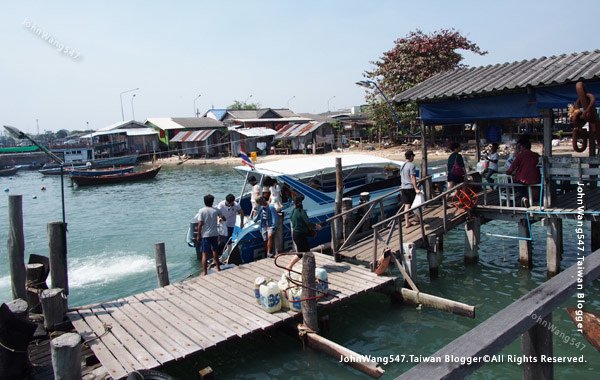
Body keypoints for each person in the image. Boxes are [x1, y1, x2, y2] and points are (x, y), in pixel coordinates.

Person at [287, 194, 321, 270]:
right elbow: (307, 222)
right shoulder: (301, 212)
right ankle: (289, 266)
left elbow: (300, 222)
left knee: (307, 251)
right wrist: (316, 226)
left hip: (296, 234)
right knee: (301, 253)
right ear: (300, 203)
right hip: (299, 235)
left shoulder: (293, 211)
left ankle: (310, 267)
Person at [507, 138, 540, 207]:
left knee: (510, 181)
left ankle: (523, 197)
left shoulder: (521, 155)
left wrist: (508, 172)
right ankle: (526, 198)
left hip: (524, 179)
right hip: (536, 179)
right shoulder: (536, 155)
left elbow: (512, 168)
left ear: (522, 146)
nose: (518, 149)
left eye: (519, 147)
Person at [195, 194, 222, 275]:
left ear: (204, 201)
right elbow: (223, 217)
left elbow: (200, 224)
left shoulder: (202, 211)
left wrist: (198, 235)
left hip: (205, 235)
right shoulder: (216, 210)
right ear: (212, 202)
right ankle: (218, 268)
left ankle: (205, 272)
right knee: (215, 251)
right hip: (214, 234)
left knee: (204, 253)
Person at [400, 150, 421, 227]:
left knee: (407, 205)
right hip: (410, 187)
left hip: (403, 187)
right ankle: (416, 217)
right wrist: (416, 188)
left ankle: (407, 222)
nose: (413, 158)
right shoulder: (411, 165)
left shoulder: (402, 165)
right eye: (413, 156)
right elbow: (412, 177)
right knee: (416, 203)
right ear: (411, 156)